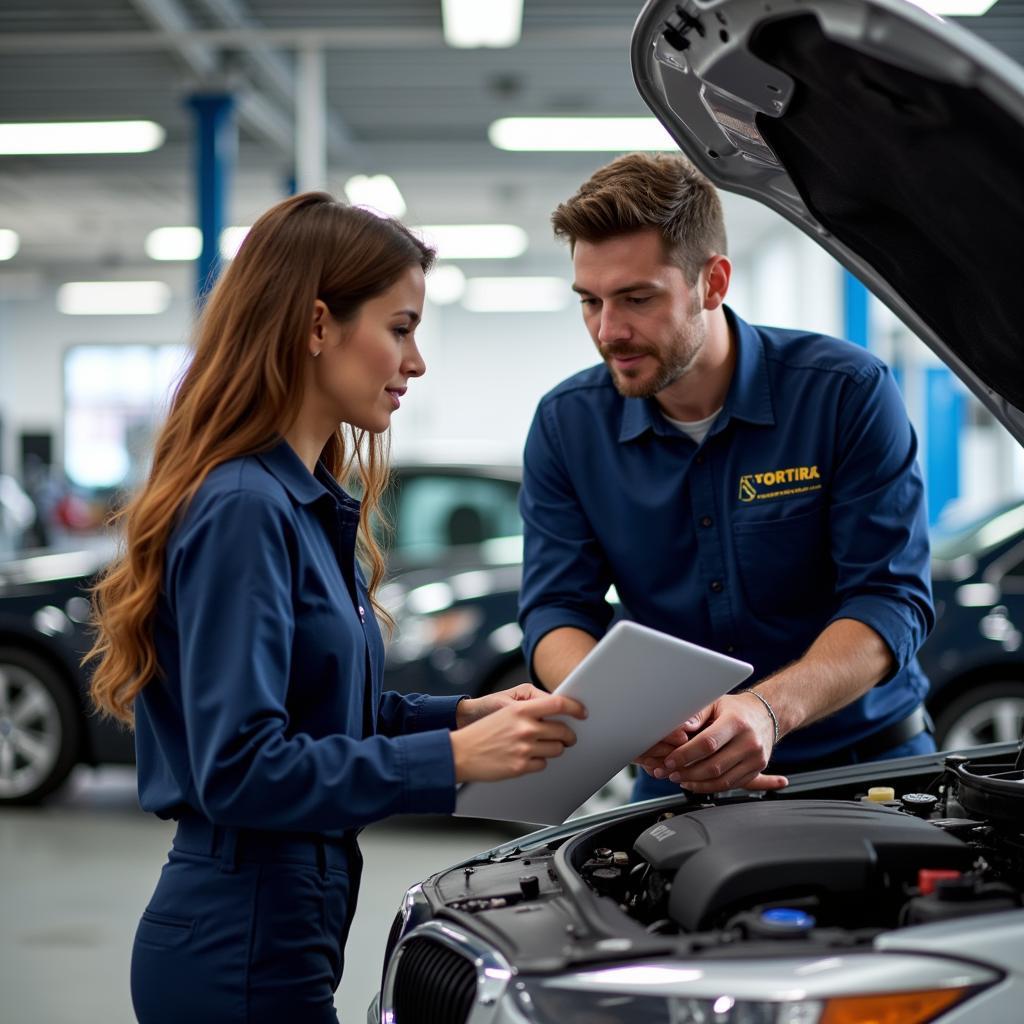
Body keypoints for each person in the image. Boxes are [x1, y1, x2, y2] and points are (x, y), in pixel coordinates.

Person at [87, 192, 585, 1024]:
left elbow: (321, 715)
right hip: (236, 945)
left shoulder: (301, 504)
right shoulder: (245, 507)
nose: (415, 361)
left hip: (283, 931)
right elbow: (242, 767)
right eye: (400, 327)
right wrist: (454, 760)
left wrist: (462, 715)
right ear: (318, 326)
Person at [517, 152, 935, 801]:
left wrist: (768, 710)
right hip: (679, 772)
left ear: (713, 282)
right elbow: (556, 610)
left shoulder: (845, 394)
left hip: (863, 766)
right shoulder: (567, 427)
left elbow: (889, 601)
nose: (608, 330)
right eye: (590, 301)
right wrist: (623, 715)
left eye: (636, 298)